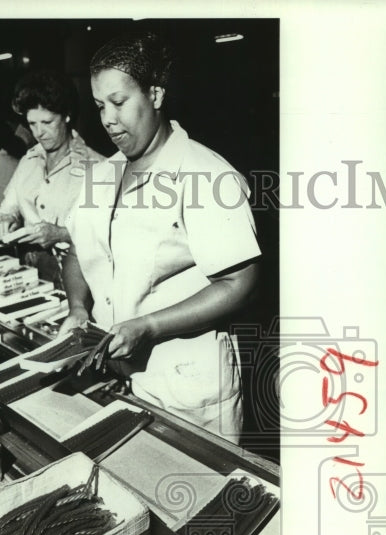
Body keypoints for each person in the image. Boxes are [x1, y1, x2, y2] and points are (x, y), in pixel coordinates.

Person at [59, 31, 260, 443]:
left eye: (118, 102)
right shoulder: (101, 176)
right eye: (99, 106)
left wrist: (148, 327)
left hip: (185, 383)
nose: (108, 119)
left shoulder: (205, 175)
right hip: (117, 375)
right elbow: (78, 251)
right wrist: (78, 307)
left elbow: (241, 282)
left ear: (155, 94)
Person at [0, 70, 103, 259]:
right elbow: (8, 208)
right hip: (32, 268)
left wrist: (60, 234)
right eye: (32, 123)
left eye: (47, 122)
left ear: (66, 115)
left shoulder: (96, 166)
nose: (39, 132)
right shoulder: (28, 161)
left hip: (77, 273)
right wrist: (6, 219)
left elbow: (106, 232)